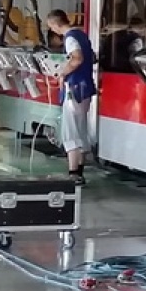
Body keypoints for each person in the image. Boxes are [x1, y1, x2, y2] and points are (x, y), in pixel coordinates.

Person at [46, 9, 97, 184]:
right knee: (81, 130)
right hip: (85, 88)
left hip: (74, 89)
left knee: (71, 132)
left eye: (51, 26)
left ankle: (73, 173)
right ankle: (79, 173)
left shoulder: (70, 38)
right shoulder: (82, 35)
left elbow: (77, 58)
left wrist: (62, 72)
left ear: (56, 23)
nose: (52, 30)